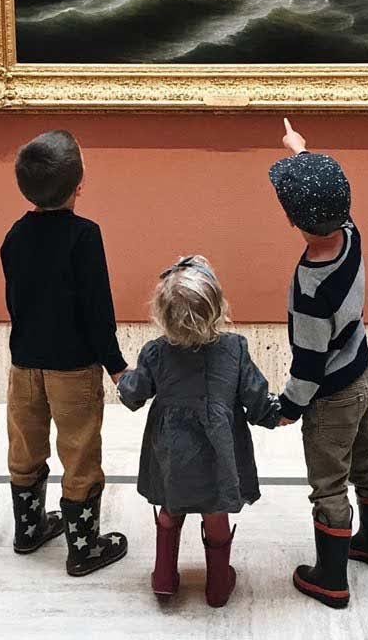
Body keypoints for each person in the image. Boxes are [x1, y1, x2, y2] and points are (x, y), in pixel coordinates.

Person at [269, 119, 368, 609]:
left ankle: (330, 577)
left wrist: (290, 407)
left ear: (296, 223)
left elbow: (308, 363)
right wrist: (300, 151)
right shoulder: (351, 232)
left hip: (330, 398)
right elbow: (325, 196)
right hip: (363, 376)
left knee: (328, 482)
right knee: (366, 459)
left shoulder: (310, 289)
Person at [116, 255, 279, 607]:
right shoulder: (235, 349)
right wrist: (279, 414)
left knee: (170, 507)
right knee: (215, 511)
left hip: (172, 450)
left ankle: (164, 578)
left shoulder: (155, 352)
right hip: (219, 451)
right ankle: (218, 586)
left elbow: (133, 394)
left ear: (161, 312)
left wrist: (121, 378)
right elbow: (256, 397)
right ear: (218, 307)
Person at [1, 129, 129, 576]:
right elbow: (98, 310)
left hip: (24, 365)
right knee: (78, 454)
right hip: (73, 368)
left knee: (25, 447)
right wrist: (116, 367)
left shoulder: (14, 235)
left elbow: (15, 302)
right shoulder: (84, 237)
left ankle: (28, 529)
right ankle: (83, 548)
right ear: (79, 183)